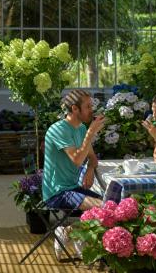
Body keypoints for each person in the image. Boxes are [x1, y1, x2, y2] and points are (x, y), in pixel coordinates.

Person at [42, 89, 106, 260]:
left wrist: (91, 170)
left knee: (111, 204)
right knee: (105, 208)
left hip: (73, 188)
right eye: (87, 106)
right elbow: (77, 160)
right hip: (57, 192)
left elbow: (92, 158)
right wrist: (91, 133)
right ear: (75, 109)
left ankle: (70, 231)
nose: (91, 109)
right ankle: (78, 234)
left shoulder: (81, 128)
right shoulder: (58, 130)